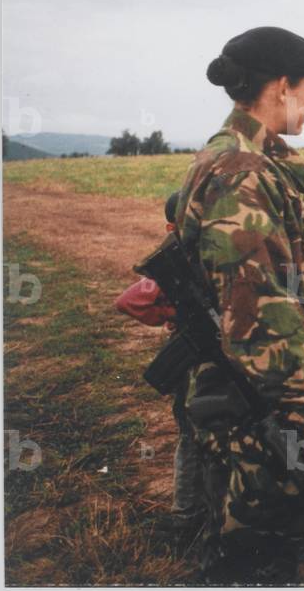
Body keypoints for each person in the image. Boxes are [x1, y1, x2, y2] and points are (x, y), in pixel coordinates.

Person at [174, 26, 304, 583]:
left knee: (239, 549)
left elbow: (239, 282)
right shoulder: (245, 174)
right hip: (258, 417)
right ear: (281, 87)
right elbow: (256, 320)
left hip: (241, 401)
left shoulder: (232, 157)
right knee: (257, 560)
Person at [115, 191, 203, 528]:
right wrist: (173, 310)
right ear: (172, 227)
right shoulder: (173, 266)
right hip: (189, 354)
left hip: (209, 358)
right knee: (191, 434)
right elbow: (127, 301)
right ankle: (185, 511)